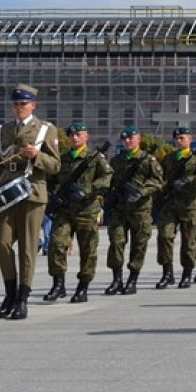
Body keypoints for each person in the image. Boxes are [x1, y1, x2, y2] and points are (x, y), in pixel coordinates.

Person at [0, 83, 61, 320]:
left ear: (33, 105)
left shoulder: (45, 129)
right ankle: (9, 293)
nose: (19, 108)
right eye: (16, 104)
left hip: (32, 191)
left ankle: (22, 297)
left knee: (28, 248)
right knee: (2, 243)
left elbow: (56, 166)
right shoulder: (4, 130)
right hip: (7, 192)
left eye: (24, 104)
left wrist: (37, 156)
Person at [43, 121, 112, 303]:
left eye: (79, 134)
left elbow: (107, 177)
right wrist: (52, 195)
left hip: (86, 210)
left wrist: (89, 190)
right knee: (56, 244)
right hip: (64, 210)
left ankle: (83, 287)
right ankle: (58, 285)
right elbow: (50, 180)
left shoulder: (95, 158)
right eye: (71, 134)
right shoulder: (62, 158)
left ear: (86, 136)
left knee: (88, 249)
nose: (75, 137)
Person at [104, 125, 164, 295]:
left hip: (140, 209)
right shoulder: (116, 161)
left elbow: (158, 182)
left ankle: (133, 279)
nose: (128, 141)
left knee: (139, 244)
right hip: (120, 209)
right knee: (116, 242)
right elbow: (110, 182)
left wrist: (141, 192)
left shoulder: (148, 160)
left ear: (139, 139)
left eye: (131, 138)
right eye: (125, 139)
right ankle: (116, 279)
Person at [156, 126, 196, 289]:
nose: (179, 141)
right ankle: (167, 273)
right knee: (165, 236)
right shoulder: (169, 158)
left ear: (190, 139)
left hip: (189, 205)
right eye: (177, 138)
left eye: (183, 138)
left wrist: (188, 180)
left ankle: (187, 273)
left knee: (188, 241)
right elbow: (161, 178)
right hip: (170, 204)